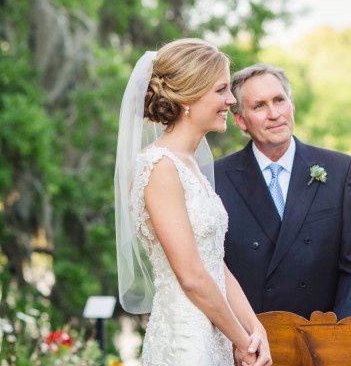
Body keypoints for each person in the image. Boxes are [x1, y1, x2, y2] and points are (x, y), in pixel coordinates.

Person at [114, 39, 272, 366]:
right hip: (185, 341)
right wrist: (242, 341)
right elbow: (191, 275)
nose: (231, 100)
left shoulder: (189, 166)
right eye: (221, 90)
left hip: (214, 331)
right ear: (188, 96)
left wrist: (255, 328)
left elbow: (215, 262)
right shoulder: (159, 167)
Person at [213, 63, 351, 319]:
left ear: (292, 106)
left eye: (279, 100)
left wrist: (338, 338)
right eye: (259, 106)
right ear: (241, 120)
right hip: (250, 343)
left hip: (322, 340)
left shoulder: (341, 170)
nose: (274, 113)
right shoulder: (214, 179)